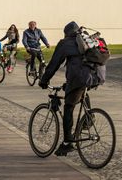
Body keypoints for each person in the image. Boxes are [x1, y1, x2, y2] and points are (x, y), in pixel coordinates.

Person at [39, 21, 96, 156]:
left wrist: (44, 80)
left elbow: (54, 64)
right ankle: (88, 117)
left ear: (66, 34)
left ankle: (67, 143)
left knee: (68, 107)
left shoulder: (65, 43)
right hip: (94, 76)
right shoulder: (86, 38)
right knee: (79, 90)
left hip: (78, 77)